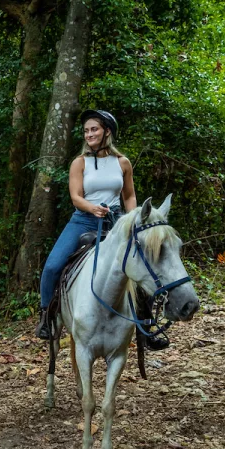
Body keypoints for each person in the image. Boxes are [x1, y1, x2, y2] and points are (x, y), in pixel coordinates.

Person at [34, 110, 169, 351]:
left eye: (94, 129)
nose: (89, 134)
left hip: (117, 223)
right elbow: (76, 197)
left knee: (141, 268)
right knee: (53, 265)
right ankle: (46, 317)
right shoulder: (80, 163)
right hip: (83, 220)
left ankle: (146, 329)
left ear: (107, 131)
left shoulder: (122, 163)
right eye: (86, 131)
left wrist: (133, 220)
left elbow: (129, 195)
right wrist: (92, 208)